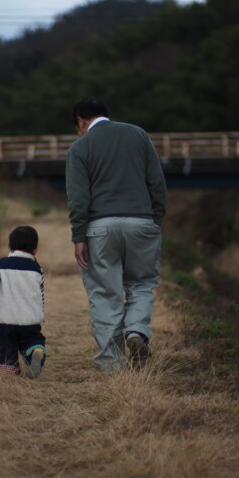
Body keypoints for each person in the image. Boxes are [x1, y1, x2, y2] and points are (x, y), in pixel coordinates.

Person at [65, 97, 167, 374]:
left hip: (100, 228)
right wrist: (155, 218)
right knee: (142, 284)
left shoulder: (80, 147)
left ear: (81, 122)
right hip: (141, 222)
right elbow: (156, 182)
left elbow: (78, 198)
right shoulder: (138, 135)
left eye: (78, 127)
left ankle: (112, 365)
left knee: (104, 293)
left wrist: (79, 236)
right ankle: (136, 331)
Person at [0, 225, 47, 378]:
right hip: (30, 320)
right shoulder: (37, 269)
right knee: (33, 341)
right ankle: (36, 352)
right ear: (35, 249)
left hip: (7, 320)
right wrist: (41, 312)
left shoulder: (3, 264)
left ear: (10, 246)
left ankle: (10, 372)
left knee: (7, 347)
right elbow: (40, 293)